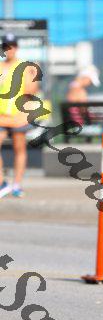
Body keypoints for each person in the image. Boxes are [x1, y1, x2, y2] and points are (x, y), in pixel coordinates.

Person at [0, 34, 39, 198]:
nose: (10, 50)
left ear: (17, 48)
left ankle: (16, 184)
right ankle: (2, 183)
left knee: (19, 148)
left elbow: (31, 91)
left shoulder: (24, 67)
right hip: (1, 115)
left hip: (19, 115)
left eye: (12, 46)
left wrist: (34, 76)